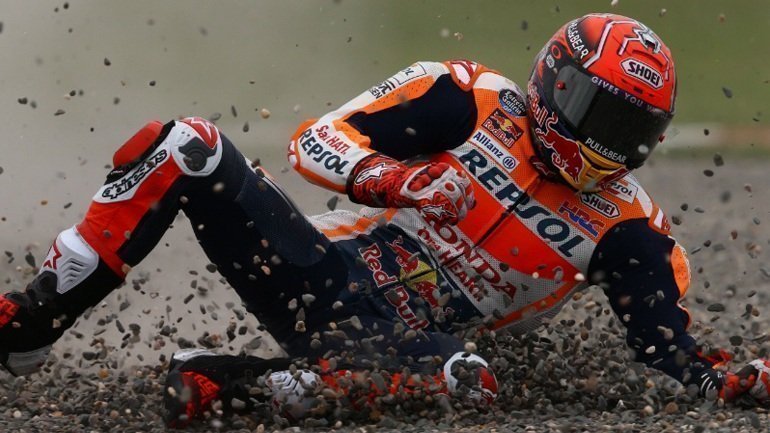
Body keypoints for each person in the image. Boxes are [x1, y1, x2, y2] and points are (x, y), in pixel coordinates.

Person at [1, 12, 768, 426]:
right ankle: (30, 322)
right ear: (555, 81)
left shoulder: (632, 228)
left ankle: (234, 382)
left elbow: (671, 355)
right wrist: (397, 180)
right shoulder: (467, 97)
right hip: (317, 274)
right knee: (185, 145)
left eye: (629, 131)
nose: (605, 145)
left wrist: (728, 382)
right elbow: (314, 140)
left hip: (402, 343)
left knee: (470, 383)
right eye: (597, 114)